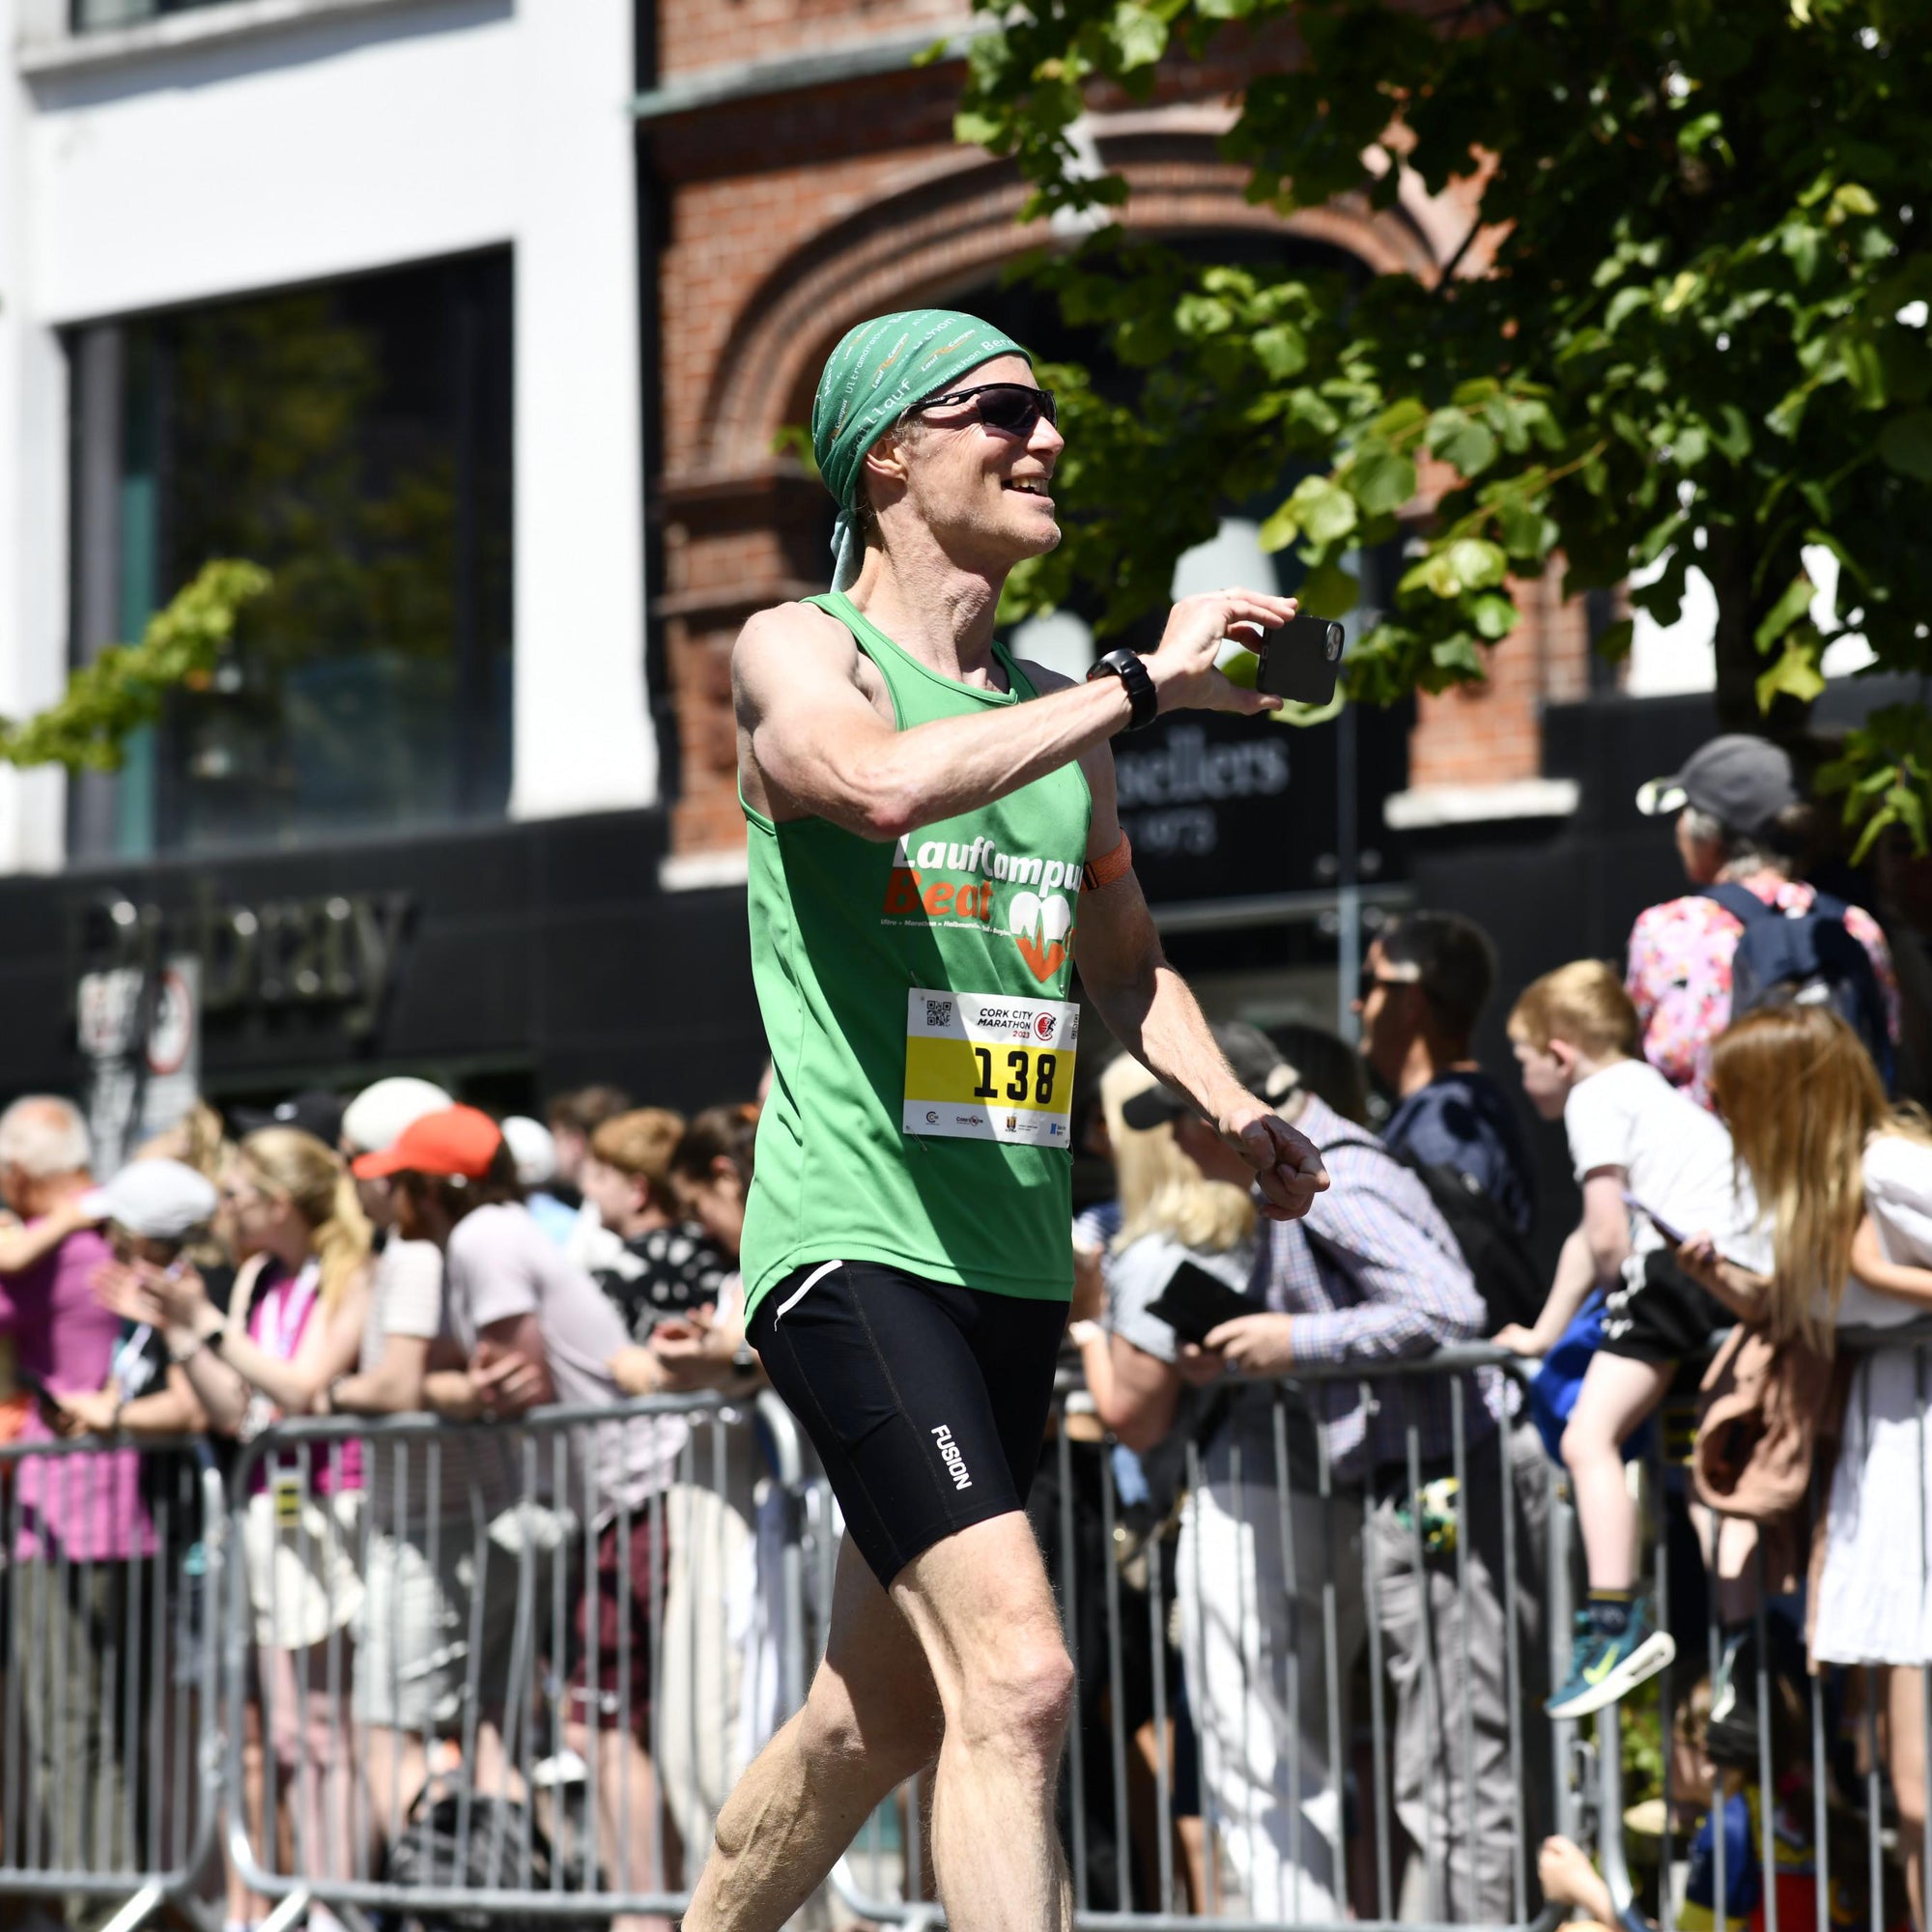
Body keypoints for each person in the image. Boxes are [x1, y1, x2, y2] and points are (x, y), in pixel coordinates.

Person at [681, 306, 1325, 1932]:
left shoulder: (1063, 729)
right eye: (1003, 413)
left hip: (1015, 1265)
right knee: (1024, 1680)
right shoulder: (799, 647)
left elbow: (1127, 965)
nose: (1048, 442)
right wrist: (1136, 684)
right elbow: (878, 782)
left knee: (878, 1717)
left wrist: (1235, 1113)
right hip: (854, 1244)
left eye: (1052, 419)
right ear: (890, 449)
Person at [1139, 1021, 1546, 1925]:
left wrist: (1294, 1341)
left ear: (1233, 1115)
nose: (1170, 1137)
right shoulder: (1318, 1176)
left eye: (1180, 1113)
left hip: (1447, 1479)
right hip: (1426, 1483)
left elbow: (1447, 1307)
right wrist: (1259, 1347)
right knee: (1440, 1768)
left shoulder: (1333, 1178)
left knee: (1454, 1771)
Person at [354, 1106, 682, 1926]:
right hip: (615, 1499)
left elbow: (512, 1382)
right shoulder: (495, 1230)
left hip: (628, 1495)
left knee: (605, 1731)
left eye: (404, 1180)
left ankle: (648, 1918)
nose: (392, 1194)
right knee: (598, 1727)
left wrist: (398, 1392)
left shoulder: (481, 1238)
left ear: (441, 1189)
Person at [1679, 1002, 1932, 1928]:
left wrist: (1875, 1263)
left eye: (1737, 1092)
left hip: (1914, 1450)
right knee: (1910, 1792)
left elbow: (1866, 1289)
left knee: (1918, 1789)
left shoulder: (1887, 1169)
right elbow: (1819, 1313)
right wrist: (1721, 1279)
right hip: (1890, 1458)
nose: (1721, 1111)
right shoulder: (1823, 1197)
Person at [1502, 961, 1759, 1718]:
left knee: (1588, 1439)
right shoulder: (1652, 1091)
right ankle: (1745, 1650)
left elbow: (1608, 1236)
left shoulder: (1594, 1097)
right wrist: (1547, 1332)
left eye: (1524, 1064)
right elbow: (1591, 1234)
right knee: (1704, 1472)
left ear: (1559, 1052)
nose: (1525, 1083)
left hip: (1675, 1268)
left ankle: (1614, 1622)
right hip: (1726, 1276)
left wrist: (1615, 1312)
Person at [136, 1127, 374, 1900]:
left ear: (278, 1201)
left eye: (237, 1195)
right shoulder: (254, 1279)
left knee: (328, 1731)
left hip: (336, 1508)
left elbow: (302, 1387)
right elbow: (236, 1408)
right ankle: (308, 1897)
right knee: (288, 1734)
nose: (227, 1210)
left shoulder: (349, 1270)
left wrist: (207, 1328)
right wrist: (183, 1333)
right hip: (266, 1512)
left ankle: (339, 1902)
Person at [0, 1096, 150, 1930]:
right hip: (124, 1515)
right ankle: (121, 1902)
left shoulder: (50, 1252)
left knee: (69, 1731)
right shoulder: (110, 1232)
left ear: (21, 1170)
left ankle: (103, 1914)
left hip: (61, 1517)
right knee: (108, 1729)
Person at [1628, 733, 1898, 1110]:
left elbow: (1640, 1059)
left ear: (1707, 833)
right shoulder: (1853, 926)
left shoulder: (1667, 930)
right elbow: (1888, 1039)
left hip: (1718, 1160)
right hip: (1836, 1153)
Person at [1356, 909, 1536, 1236]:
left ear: (1411, 1003)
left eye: (1368, 984)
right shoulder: (1445, 1111)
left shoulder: (1442, 1128)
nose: (1357, 1005)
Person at [581, 1107, 733, 1340]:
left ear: (637, 1190)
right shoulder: (718, 1253)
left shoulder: (613, 1280)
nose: (589, 1189)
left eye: (602, 1177)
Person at [546, 1085, 634, 1267]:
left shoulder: (602, 1214)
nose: (551, 1149)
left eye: (556, 1137)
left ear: (576, 1142)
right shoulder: (602, 1207)